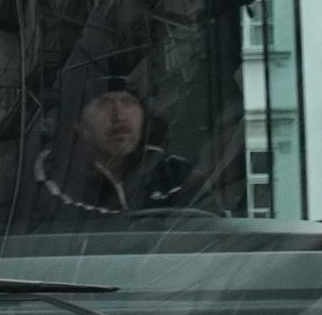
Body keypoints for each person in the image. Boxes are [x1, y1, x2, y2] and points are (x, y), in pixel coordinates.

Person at [32, 77, 237, 217]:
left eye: (128, 102)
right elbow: (85, 234)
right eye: (103, 103)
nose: (119, 115)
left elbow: (213, 227)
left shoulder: (174, 172)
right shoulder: (54, 173)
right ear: (77, 123)